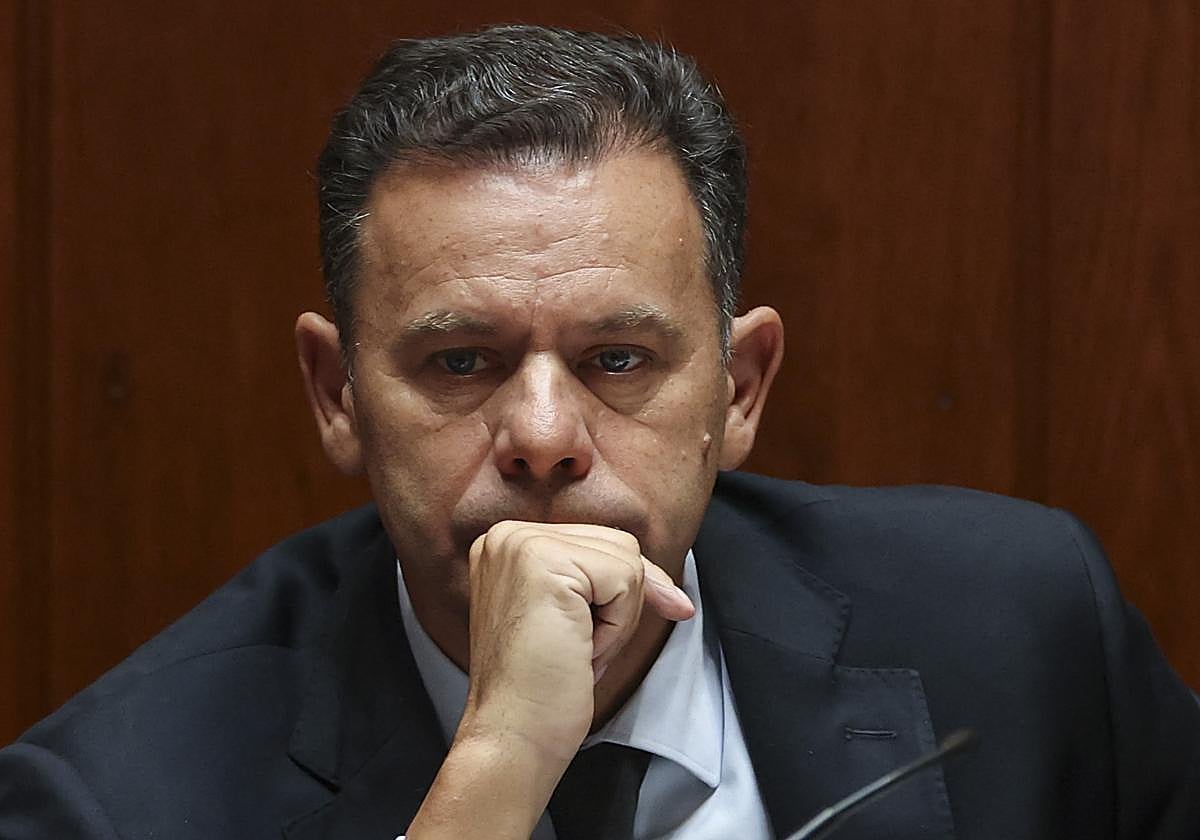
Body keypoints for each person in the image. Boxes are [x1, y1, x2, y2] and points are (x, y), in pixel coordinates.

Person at [1, 24, 1198, 840]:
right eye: (459, 362)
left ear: (738, 388)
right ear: (337, 395)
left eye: (617, 360)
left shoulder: (1026, 631)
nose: (541, 434)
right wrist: (498, 769)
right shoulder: (116, 801)